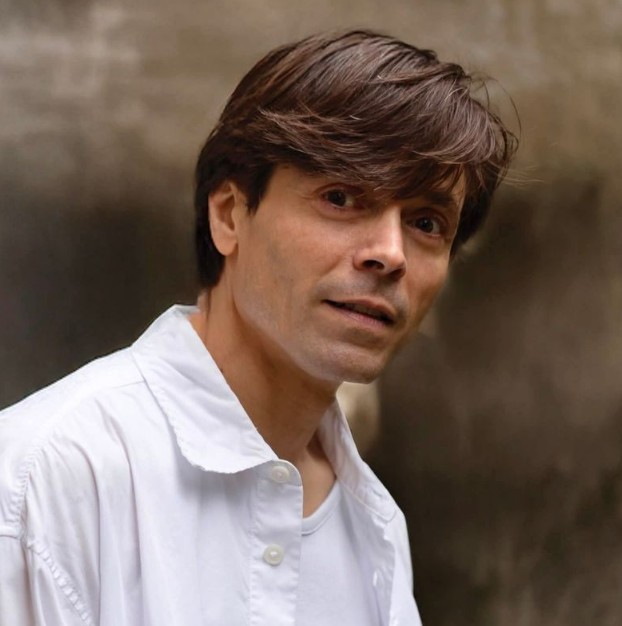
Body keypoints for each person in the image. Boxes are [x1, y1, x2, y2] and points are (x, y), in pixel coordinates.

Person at [0, 29, 516, 626]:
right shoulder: (42, 480)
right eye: (341, 198)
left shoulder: (375, 530)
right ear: (228, 216)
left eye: (426, 222)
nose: (390, 253)